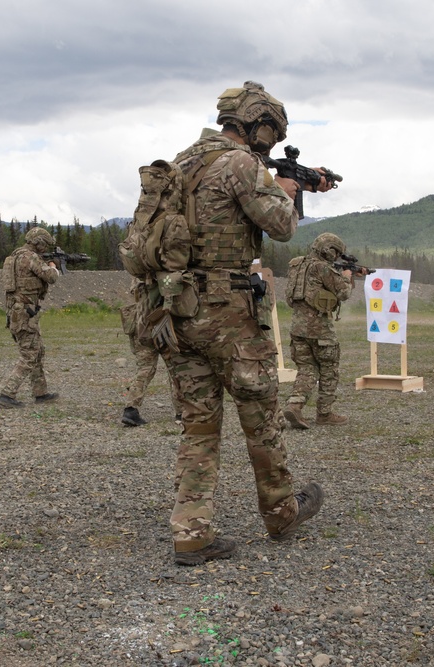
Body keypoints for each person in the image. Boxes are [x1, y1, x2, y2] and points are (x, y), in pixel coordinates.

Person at [164, 81, 335, 566]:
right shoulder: (240, 164)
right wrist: (290, 192)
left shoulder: (182, 162)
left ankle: (190, 530)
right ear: (259, 125)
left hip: (177, 309)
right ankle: (280, 511)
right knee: (260, 414)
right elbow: (280, 227)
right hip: (229, 312)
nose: (272, 144)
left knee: (198, 424)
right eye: (272, 134)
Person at [282, 233, 355, 429]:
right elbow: (344, 293)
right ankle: (325, 413)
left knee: (306, 369)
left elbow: (290, 298)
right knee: (329, 370)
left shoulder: (297, 265)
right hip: (320, 330)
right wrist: (347, 277)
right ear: (329, 249)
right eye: (336, 252)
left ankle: (294, 405)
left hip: (297, 328)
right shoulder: (322, 268)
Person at [0, 227, 61, 408]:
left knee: (37, 351)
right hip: (25, 313)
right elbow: (51, 277)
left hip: (18, 312)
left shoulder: (14, 257)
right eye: (44, 244)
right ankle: (7, 394)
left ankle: (40, 392)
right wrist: (53, 266)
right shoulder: (30, 258)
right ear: (38, 242)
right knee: (29, 355)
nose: (44, 247)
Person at [121, 280, 182, 427]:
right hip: (163, 325)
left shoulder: (138, 273)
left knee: (145, 369)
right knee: (175, 369)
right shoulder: (165, 274)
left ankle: (131, 408)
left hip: (140, 325)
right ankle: (181, 411)